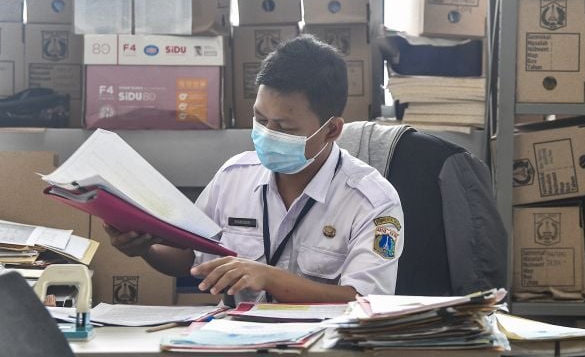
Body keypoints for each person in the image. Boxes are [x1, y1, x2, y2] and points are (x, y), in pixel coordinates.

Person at [104, 35, 404, 304]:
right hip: (235, 340)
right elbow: (190, 258)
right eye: (260, 120)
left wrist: (269, 277)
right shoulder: (234, 176)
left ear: (332, 130)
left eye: (284, 127)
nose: (268, 134)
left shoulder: (373, 201)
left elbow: (366, 301)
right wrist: (144, 249)